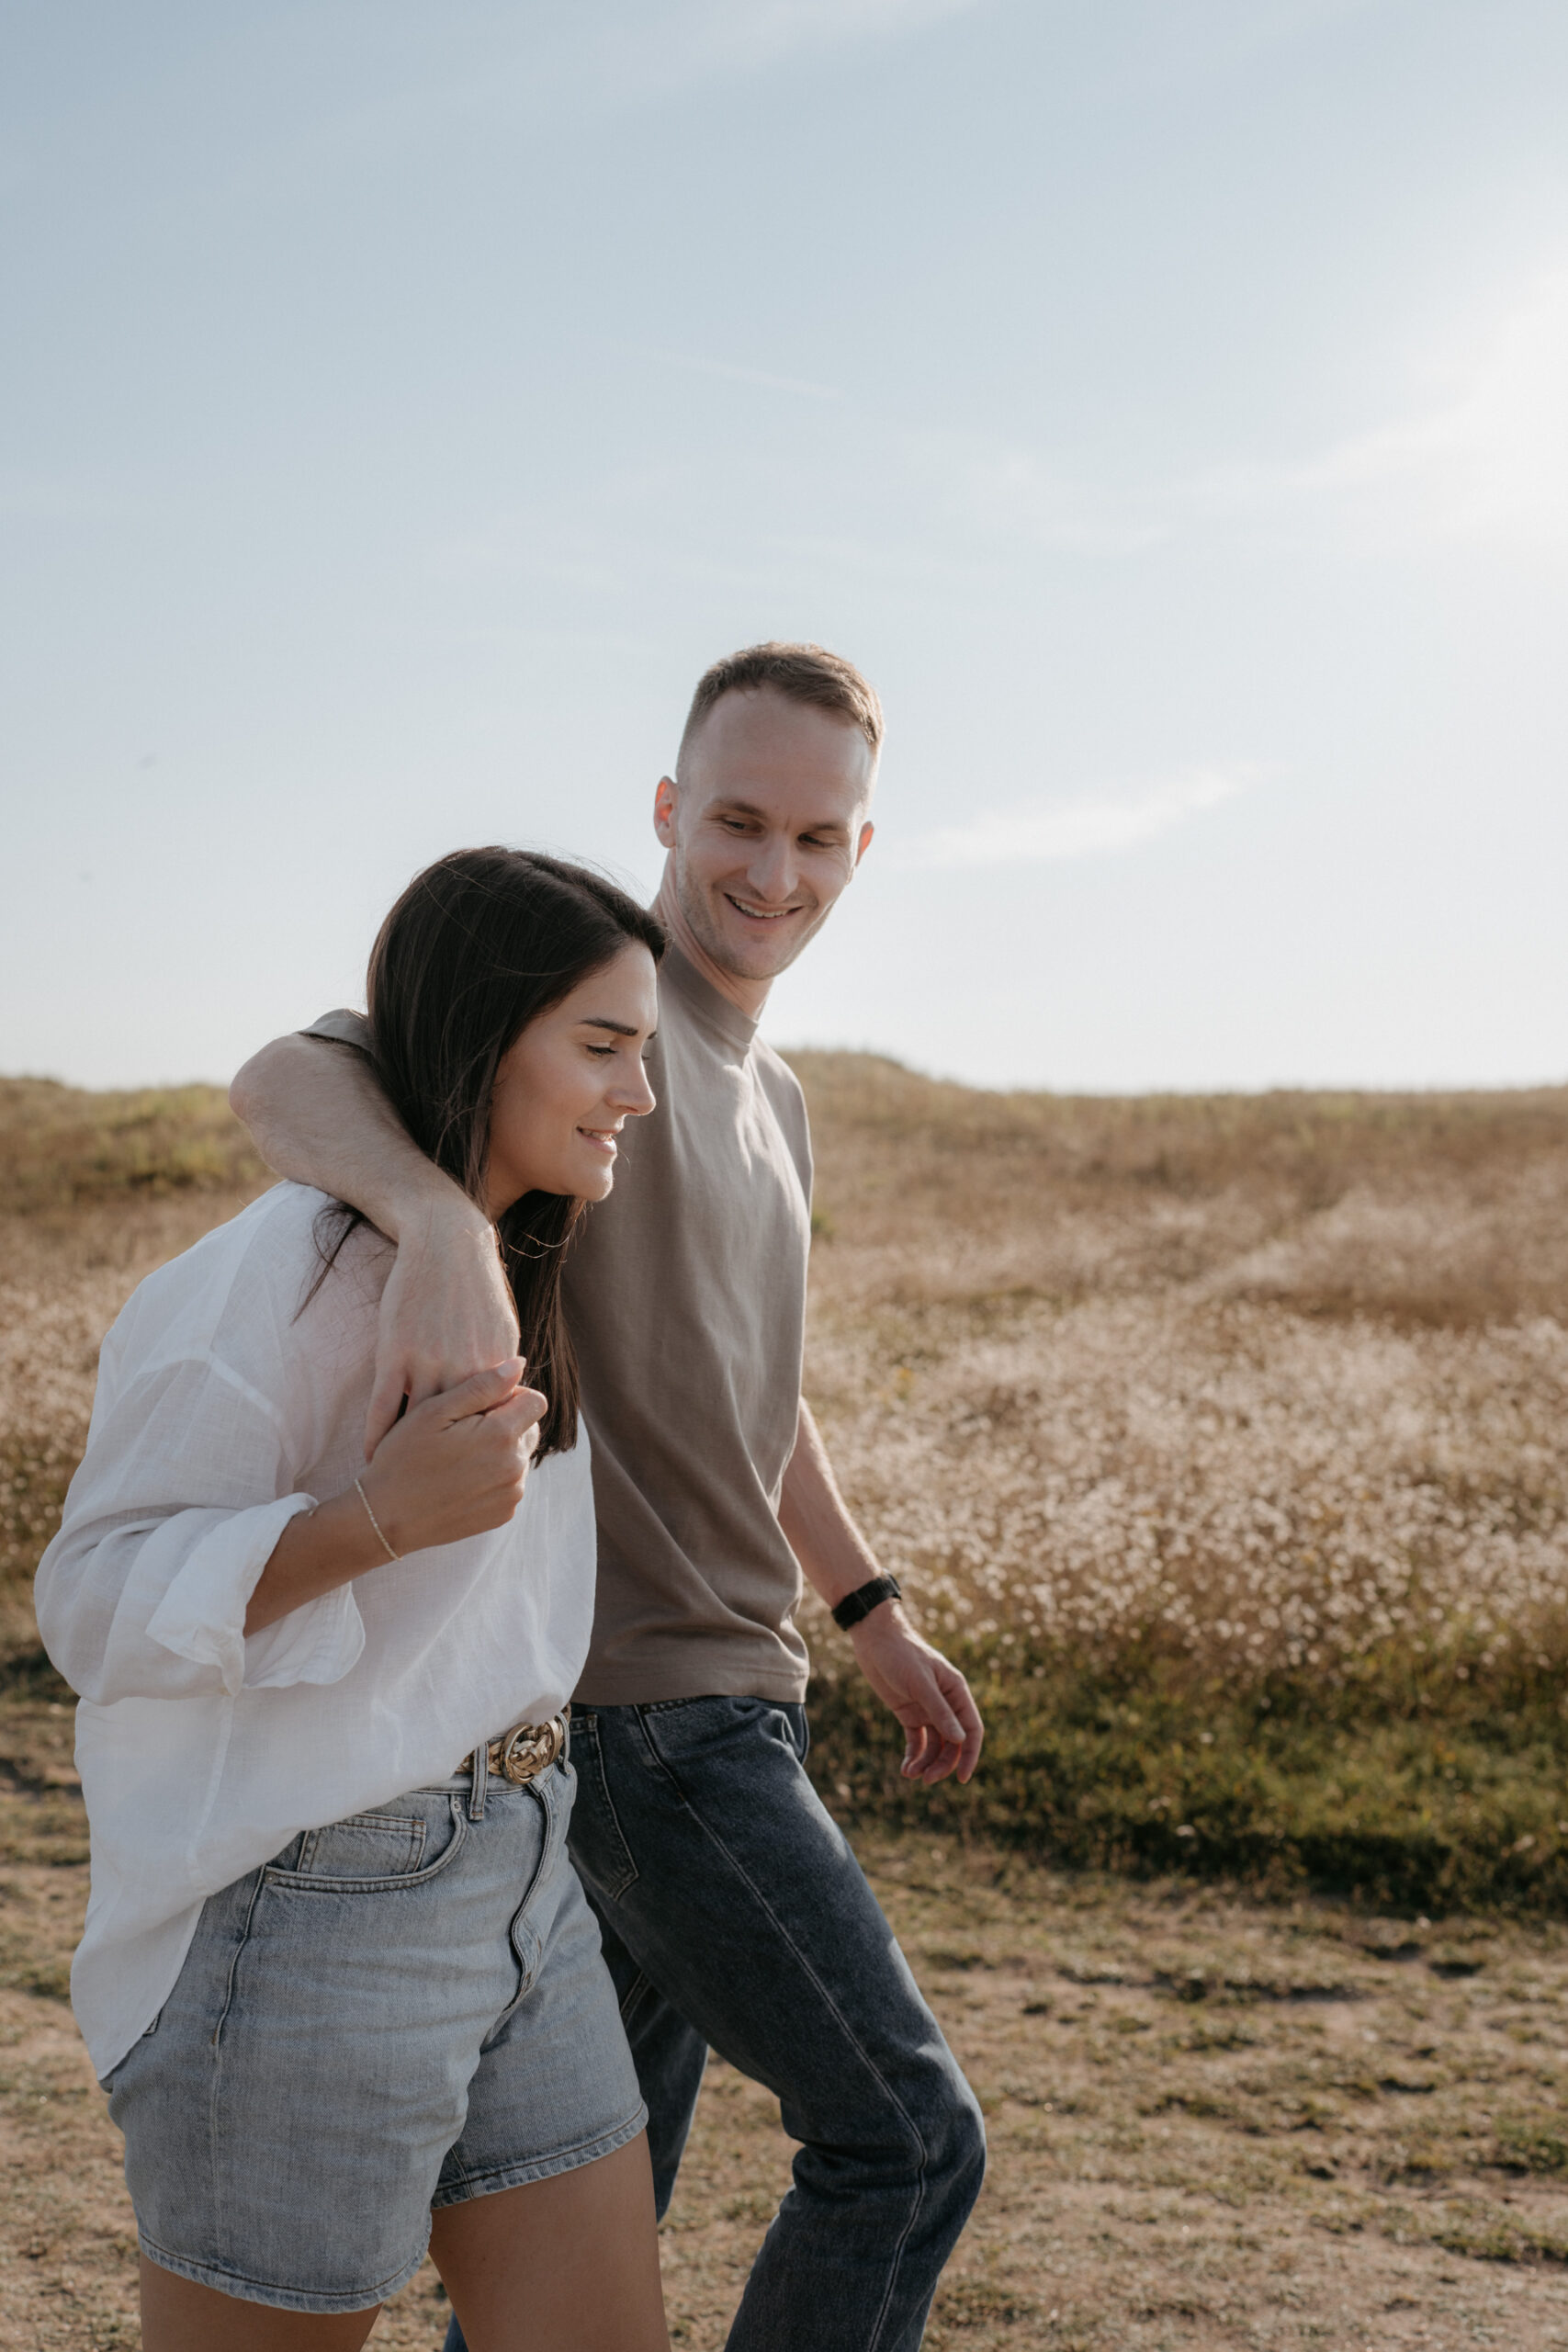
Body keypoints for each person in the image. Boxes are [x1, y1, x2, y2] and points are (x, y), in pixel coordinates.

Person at [231, 642, 988, 2352]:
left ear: (861, 850)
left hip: (737, 1694)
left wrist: (869, 1611)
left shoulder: (774, 1092)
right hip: (642, 1715)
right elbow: (283, 1076)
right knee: (907, 2142)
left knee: (593, 2205)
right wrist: (436, 1223)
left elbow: (752, 1387)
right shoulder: (588, 1009)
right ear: (668, 807)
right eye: (735, 820)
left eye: (815, 837)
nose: (769, 872)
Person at [37, 849, 672, 2352]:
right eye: (600, 1047)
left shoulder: (524, 1248)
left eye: (642, 1050)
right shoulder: (275, 1284)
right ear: (478, 1034)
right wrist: (373, 1521)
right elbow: (90, 1606)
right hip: (309, 1910)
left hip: (529, 1866)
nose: (638, 1094)